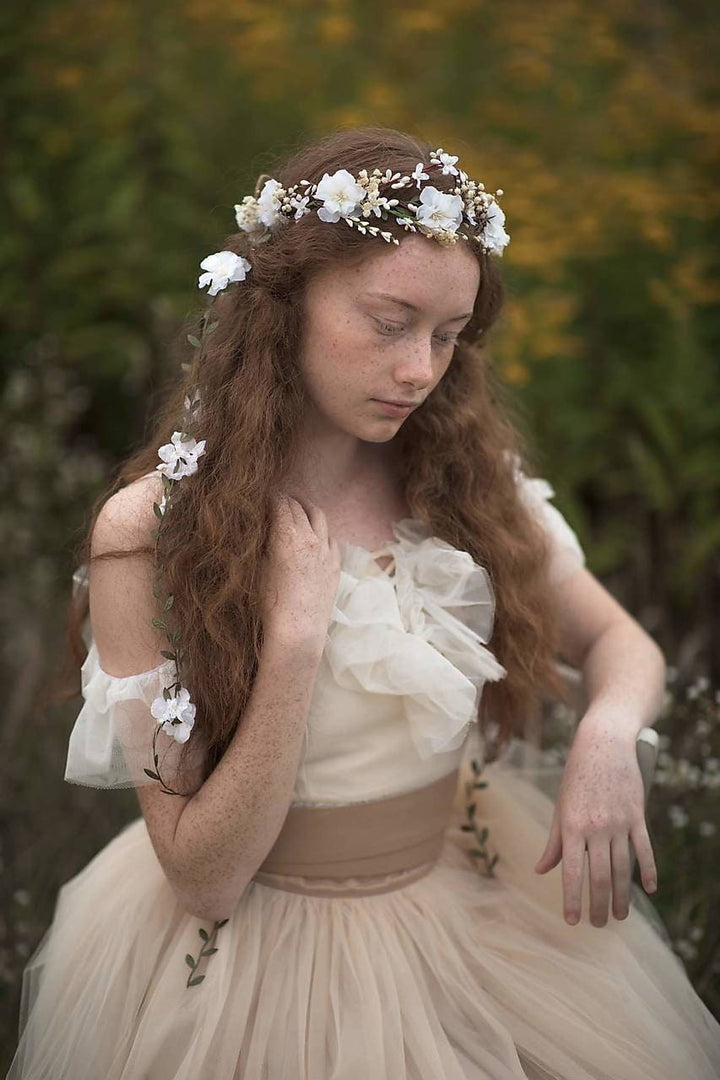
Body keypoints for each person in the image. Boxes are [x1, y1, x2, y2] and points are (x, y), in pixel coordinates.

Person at [8, 126, 720, 1080]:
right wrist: (297, 637)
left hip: (469, 903)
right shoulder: (149, 536)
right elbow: (207, 880)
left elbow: (620, 642)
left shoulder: (462, 485)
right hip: (257, 967)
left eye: (448, 336)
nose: (421, 370)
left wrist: (606, 737)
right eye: (390, 323)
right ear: (287, 303)